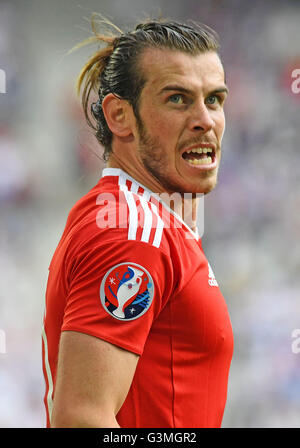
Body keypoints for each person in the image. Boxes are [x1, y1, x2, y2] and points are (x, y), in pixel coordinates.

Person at [42, 16, 233, 428]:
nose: (206, 120)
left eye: (215, 99)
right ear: (120, 116)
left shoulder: (141, 218)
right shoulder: (131, 229)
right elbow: (82, 418)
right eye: (178, 99)